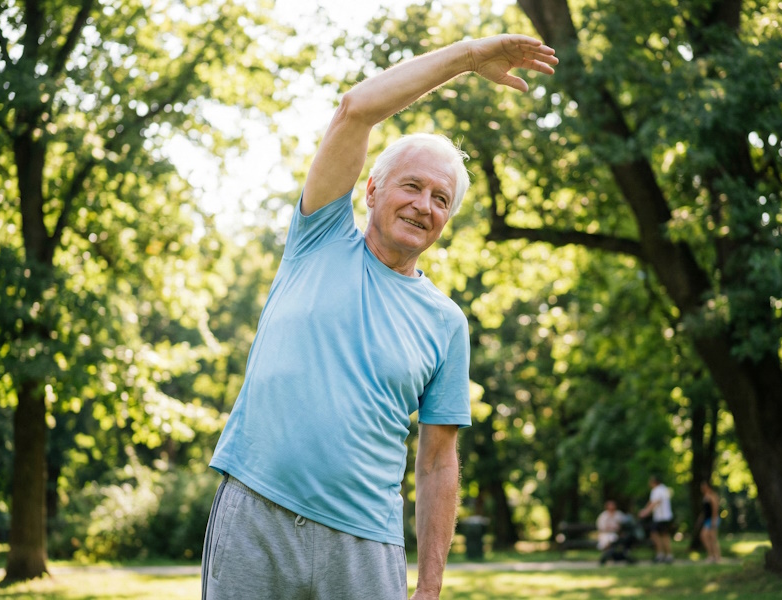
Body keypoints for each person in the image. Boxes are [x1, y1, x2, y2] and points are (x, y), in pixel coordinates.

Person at [200, 35, 559, 600]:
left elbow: (438, 462)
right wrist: (467, 58)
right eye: (412, 186)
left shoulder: (446, 323)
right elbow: (356, 109)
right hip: (256, 516)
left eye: (441, 199)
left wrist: (431, 586)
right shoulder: (319, 237)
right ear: (371, 190)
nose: (424, 205)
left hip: (365, 547)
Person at [638, 474, 674, 564]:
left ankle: (664, 555)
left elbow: (655, 502)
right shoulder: (663, 489)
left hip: (662, 517)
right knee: (658, 535)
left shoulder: (657, 490)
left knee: (660, 535)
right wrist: (646, 509)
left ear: (654, 482)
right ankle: (664, 554)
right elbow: (651, 502)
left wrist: (646, 512)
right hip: (663, 517)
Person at [596, 500, 635, 564]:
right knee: (606, 541)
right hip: (605, 534)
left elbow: (625, 524)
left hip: (617, 534)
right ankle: (608, 555)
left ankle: (608, 555)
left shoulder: (619, 514)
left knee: (615, 540)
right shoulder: (603, 515)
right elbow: (601, 527)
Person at [699, 481, 722, 562]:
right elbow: (705, 510)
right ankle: (711, 555)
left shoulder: (712, 496)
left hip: (712, 519)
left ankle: (717, 556)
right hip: (707, 520)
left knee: (712, 538)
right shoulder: (705, 497)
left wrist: (713, 520)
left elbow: (715, 508)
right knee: (705, 537)